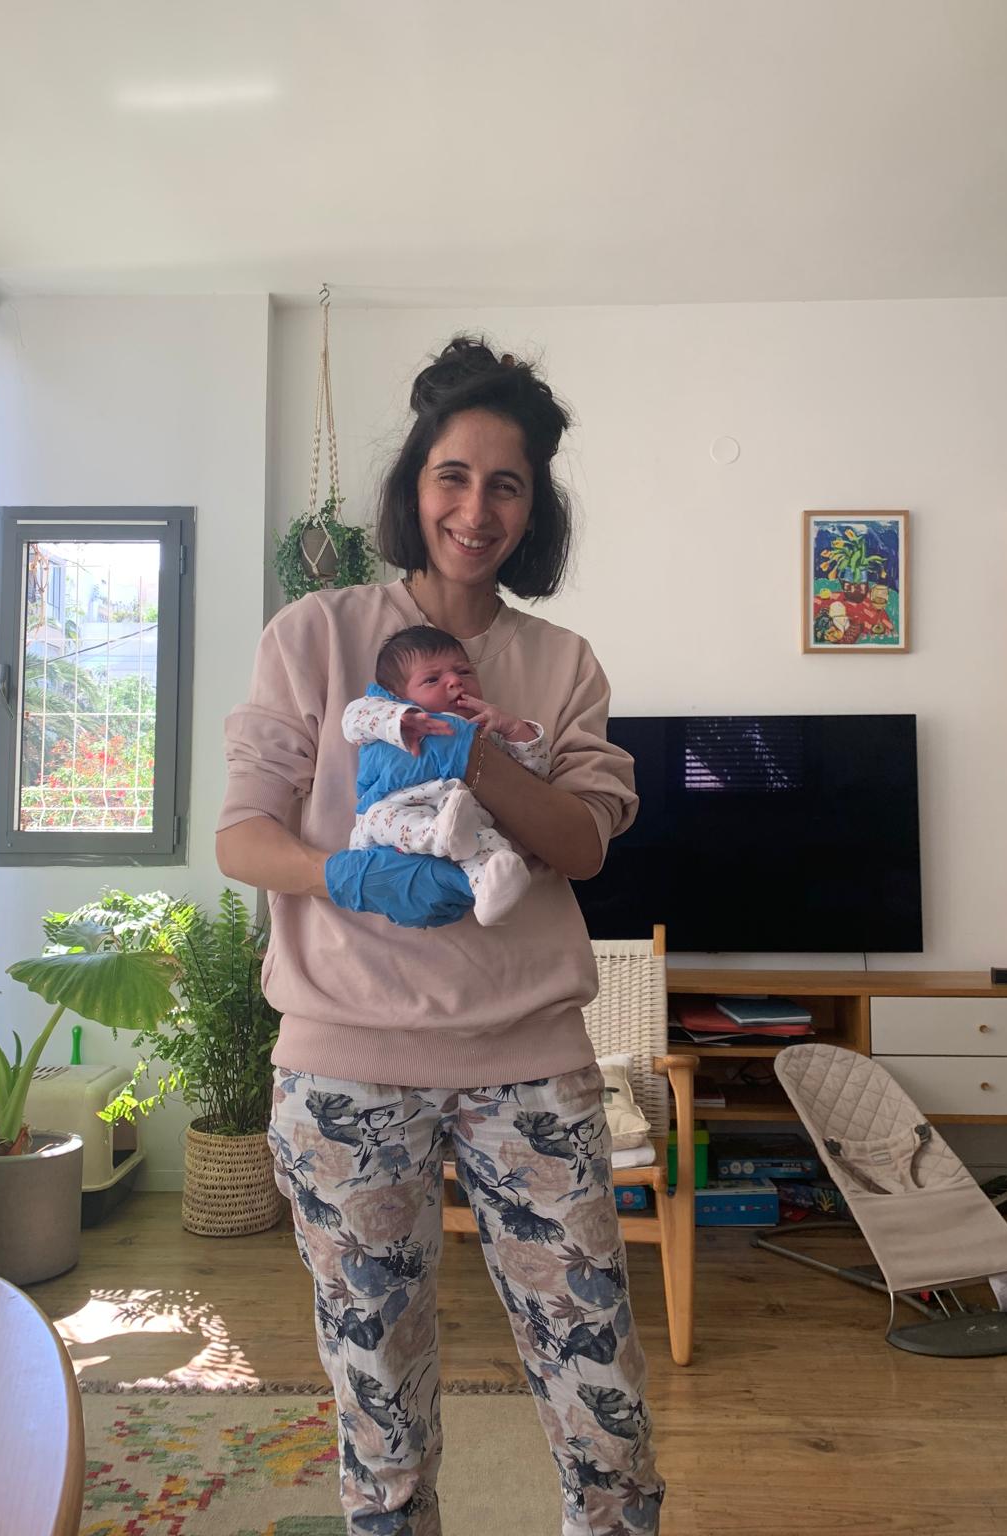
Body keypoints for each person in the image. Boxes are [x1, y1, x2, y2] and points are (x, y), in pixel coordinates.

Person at [216, 335, 665, 1536]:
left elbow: (583, 842)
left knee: (601, 1396)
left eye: (506, 484)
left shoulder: (560, 664)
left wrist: (473, 753)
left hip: (531, 1063)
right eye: (452, 476)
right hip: (344, 1067)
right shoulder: (314, 634)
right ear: (414, 484)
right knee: (381, 1409)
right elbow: (242, 837)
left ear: (535, 505)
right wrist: (345, 873)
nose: (476, 509)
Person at [343, 624, 550, 925]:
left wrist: (514, 728)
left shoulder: (484, 729)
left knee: (489, 846)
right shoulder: (388, 712)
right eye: (432, 679)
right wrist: (400, 719)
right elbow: (353, 719)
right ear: (397, 695)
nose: (455, 681)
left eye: (464, 672)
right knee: (379, 816)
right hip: (393, 823)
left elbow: (535, 774)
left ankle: (493, 896)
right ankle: (436, 835)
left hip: (462, 821)